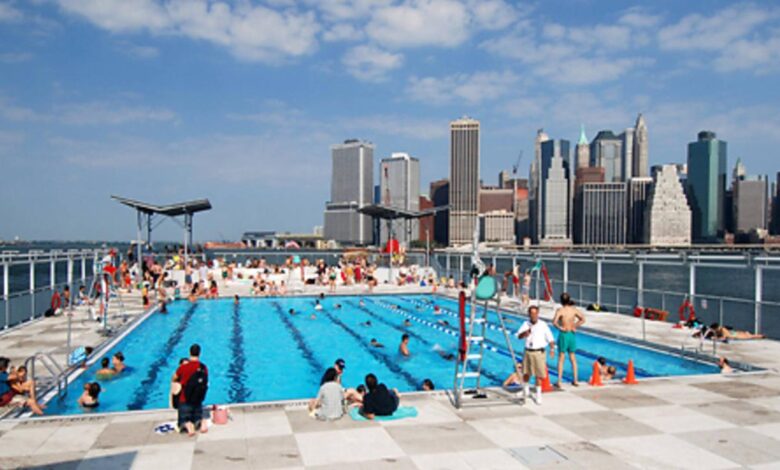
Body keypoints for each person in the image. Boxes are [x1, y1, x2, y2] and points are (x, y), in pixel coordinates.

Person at [517, 305, 555, 405]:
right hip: (528, 351)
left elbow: (550, 338)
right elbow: (519, 336)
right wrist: (525, 333)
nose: (533, 316)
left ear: (538, 314)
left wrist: (552, 349)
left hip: (539, 352)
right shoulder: (525, 324)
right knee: (526, 373)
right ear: (529, 314)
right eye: (531, 314)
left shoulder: (543, 325)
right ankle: (526, 390)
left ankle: (538, 394)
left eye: (535, 313)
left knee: (538, 374)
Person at [174, 344, 209, 436]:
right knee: (196, 419)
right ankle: (201, 422)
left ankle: (188, 425)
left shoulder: (183, 367)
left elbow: (174, 378)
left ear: (190, 353)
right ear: (199, 353)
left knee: (182, 422)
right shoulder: (203, 367)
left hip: (185, 400)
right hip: (198, 399)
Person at [552, 292, 585, 388]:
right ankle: (575, 380)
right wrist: (575, 326)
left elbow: (554, 322)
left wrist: (560, 327)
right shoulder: (574, 310)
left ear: (561, 301)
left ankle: (559, 381)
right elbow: (583, 319)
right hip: (571, 334)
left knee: (561, 359)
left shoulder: (560, 310)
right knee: (573, 358)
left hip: (564, 334)